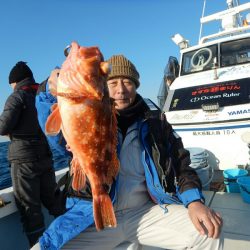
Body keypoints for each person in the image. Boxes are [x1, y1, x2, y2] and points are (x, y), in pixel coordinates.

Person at [33, 55, 223, 250]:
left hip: (145, 212)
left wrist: (194, 202)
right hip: (91, 216)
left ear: (136, 85)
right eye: (113, 82)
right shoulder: (88, 117)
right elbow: (56, 134)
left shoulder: (155, 121)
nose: (121, 90)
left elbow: (181, 163)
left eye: (128, 82)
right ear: (102, 87)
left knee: (208, 232)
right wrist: (49, 89)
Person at [0, 61, 65, 248]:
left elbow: (4, 127)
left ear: (15, 82)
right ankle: (77, 239)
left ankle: (38, 246)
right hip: (45, 157)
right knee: (55, 203)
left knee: (31, 214)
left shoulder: (17, 97)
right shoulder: (41, 95)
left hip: (24, 162)